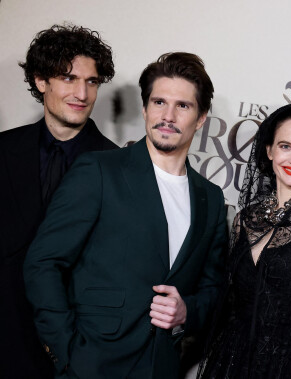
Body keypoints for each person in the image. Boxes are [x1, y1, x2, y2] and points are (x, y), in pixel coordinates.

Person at [23, 52, 227, 379]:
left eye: (183, 106)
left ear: (201, 117)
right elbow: (43, 263)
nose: (168, 115)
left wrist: (188, 310)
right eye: (159, 102)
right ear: (145, 109)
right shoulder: (99, 171)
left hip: (162, 366)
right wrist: (67, 353)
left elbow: (214, 290)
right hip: (92, 365)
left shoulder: (211, 198)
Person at [0, 24, 116, 379]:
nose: (82, 93)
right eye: (68, 78)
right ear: (40, 81)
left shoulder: (118, 168)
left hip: (70, 351)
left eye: (92, 81)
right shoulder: (3, 149)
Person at [197, 103, 291, 378]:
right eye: (285, 146)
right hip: (229, 360)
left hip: (284, 367)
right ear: (269, 150)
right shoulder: (245, 218)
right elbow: (228, 306)